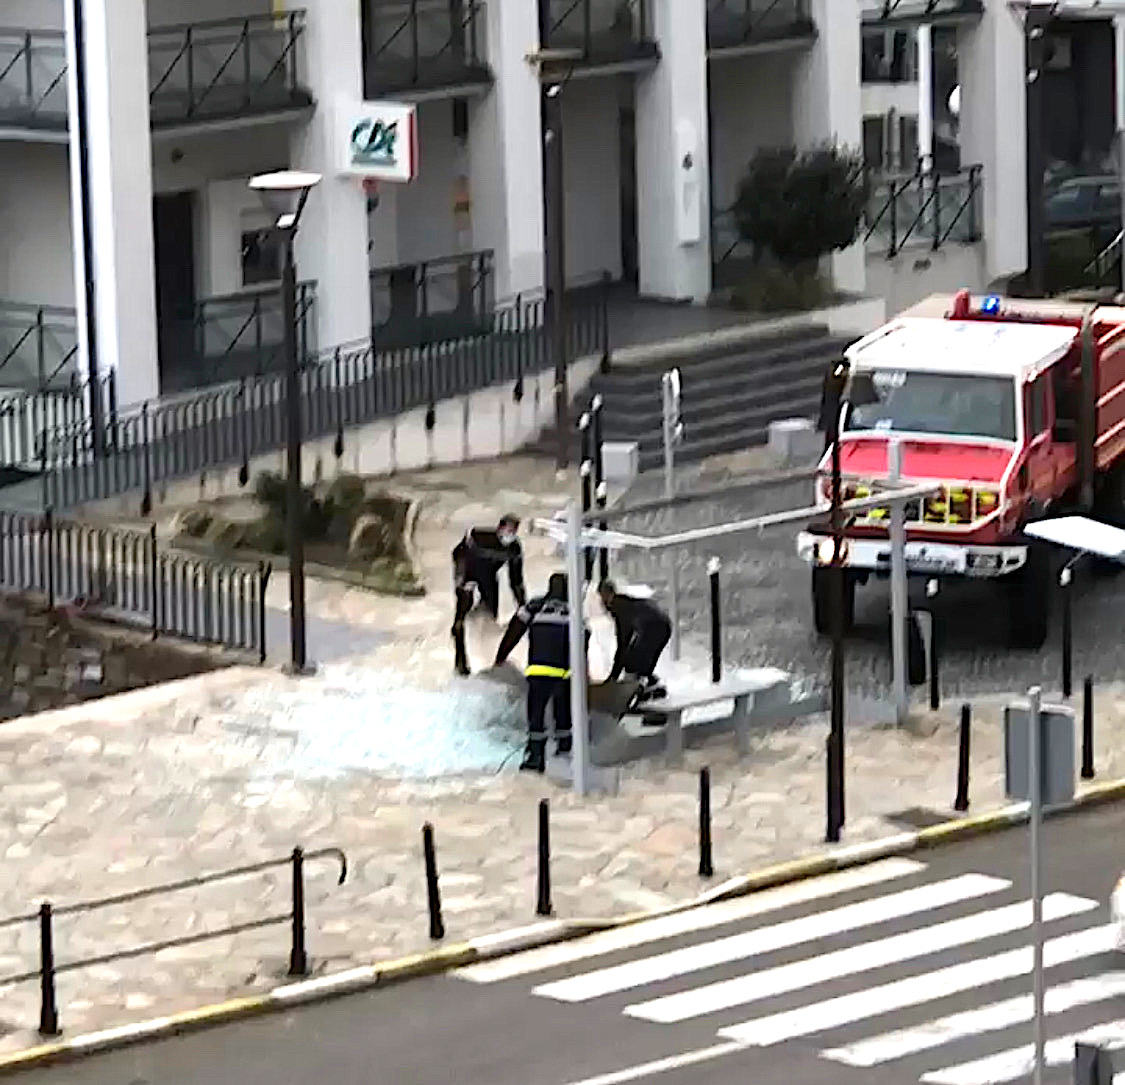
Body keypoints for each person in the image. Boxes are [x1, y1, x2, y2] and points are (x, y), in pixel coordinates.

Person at [494, 572, 574, 774]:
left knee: (536, 714)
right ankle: (566, 755)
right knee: (563, 713)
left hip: (538, 671)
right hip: (563, 674)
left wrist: (501, 656)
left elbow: (515, 629)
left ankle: (535, 757)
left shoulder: (534, 606)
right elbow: (583, 643)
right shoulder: (574, 612)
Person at [451, 514, 526, 676]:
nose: (510, 534)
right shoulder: (479, 538)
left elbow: (516, 580)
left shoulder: (513, 549)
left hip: (490, 576)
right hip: (469, 573)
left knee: (490, 615)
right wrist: (461, 581)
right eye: (508, 530)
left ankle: (485, 657)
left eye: (514, 531)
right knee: (461, 617)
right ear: (500, 528)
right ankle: (460, 661)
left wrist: (522, 604)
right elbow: (460, 557)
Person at [598, 580, 671, 699]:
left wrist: (613, 677)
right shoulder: (624, 603)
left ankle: (644, 689)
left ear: (609, 594)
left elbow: (623, 642)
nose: (602, 601)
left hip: (655, 626)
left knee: (633, 662)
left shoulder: (620, 607)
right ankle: (649, 686)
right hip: (661, 625)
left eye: (603, 596)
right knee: (638, 662)